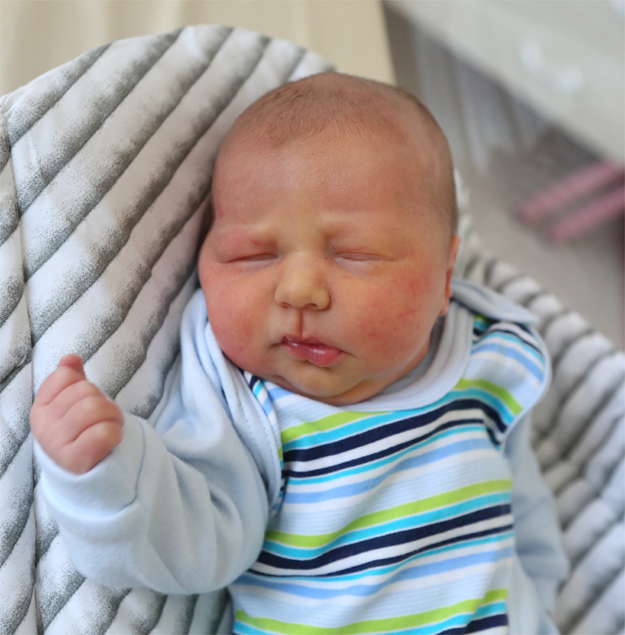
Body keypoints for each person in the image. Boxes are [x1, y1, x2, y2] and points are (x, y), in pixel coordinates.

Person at [30, 73, 568, 634]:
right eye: (252, 255)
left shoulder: (490, 358)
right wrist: (106, 472)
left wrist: (540, 606)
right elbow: (196, 541)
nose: (299, 290)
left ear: (446, 276)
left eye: (356, 254)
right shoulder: (248, 406)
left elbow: (525, 510)